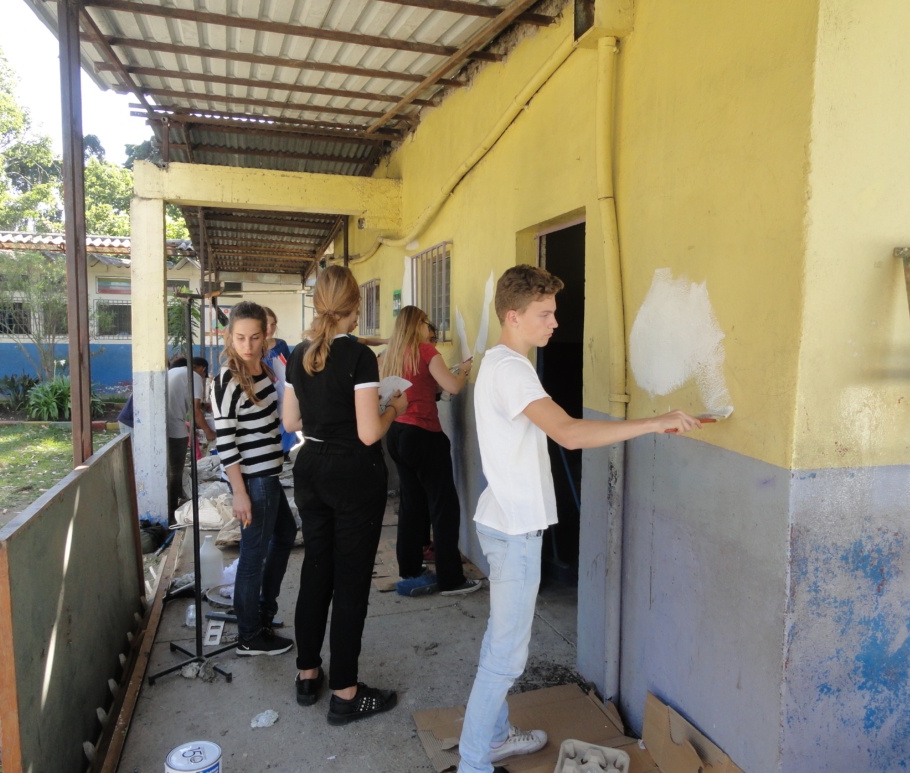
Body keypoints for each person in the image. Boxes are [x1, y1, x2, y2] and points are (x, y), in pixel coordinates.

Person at [456, 265, 701, 773]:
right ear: (513, 316)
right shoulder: (512, 370)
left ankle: (494, 737)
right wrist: (654, 422)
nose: (554, 323)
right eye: (544, 314)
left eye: (554, 313)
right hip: (514, 531)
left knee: (501, 644)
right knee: (506, 657)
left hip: (501, 520)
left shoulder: (496, 362)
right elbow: (567, 433)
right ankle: (474, 762)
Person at [281, 265, 408, 725]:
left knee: (316, 570)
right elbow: (369, 433)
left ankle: (307, 673)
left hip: (311, 467)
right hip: (353, 471)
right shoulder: (359, 357)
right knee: (351, 581)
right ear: (355, 306)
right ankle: (346, 693)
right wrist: (393, 408)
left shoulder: (299, 354)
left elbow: (291, 422)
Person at [211, 302, 298, 656]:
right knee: (252, 556)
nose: (247, 345)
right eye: (240, 337)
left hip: (270, 474)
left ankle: (263, 613)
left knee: (285, 534)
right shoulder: (227, 379)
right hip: (254, 480)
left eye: (255, 337)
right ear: (229, 337)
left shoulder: (265, 369)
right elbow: (225, 442)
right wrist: (239, 492)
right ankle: (249, 635)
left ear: (266, 336)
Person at [381, 305, 479, 597]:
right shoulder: (425, 351)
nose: (430, 326)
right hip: (423, 434)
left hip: (397, 432)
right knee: (443, 507)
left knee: (411, 505)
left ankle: (410, 568)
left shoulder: (390, 355)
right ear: (417, 324)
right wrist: (463, 371)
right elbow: (452, 387)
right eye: (426, 322)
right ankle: (451, 579)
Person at [167, 356, 217, 524]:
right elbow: (195, 412)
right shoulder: (194, 376)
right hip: (175, 428)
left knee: (170, 471)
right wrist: (209, 432)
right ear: (202, 369)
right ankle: (172, 513)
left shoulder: (173, 372)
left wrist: (203, 406)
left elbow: (182, 398)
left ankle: (173, 506)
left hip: (163, 427)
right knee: (175, 472)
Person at [262, 306, 299, 454]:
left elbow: (289, 367)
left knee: (286, 423)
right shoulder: (255, 346)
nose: (270, 328)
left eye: (273, 324)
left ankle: (284, 452)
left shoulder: (281, 344)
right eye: (266, 324)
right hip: (264, 392)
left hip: (282, 391)